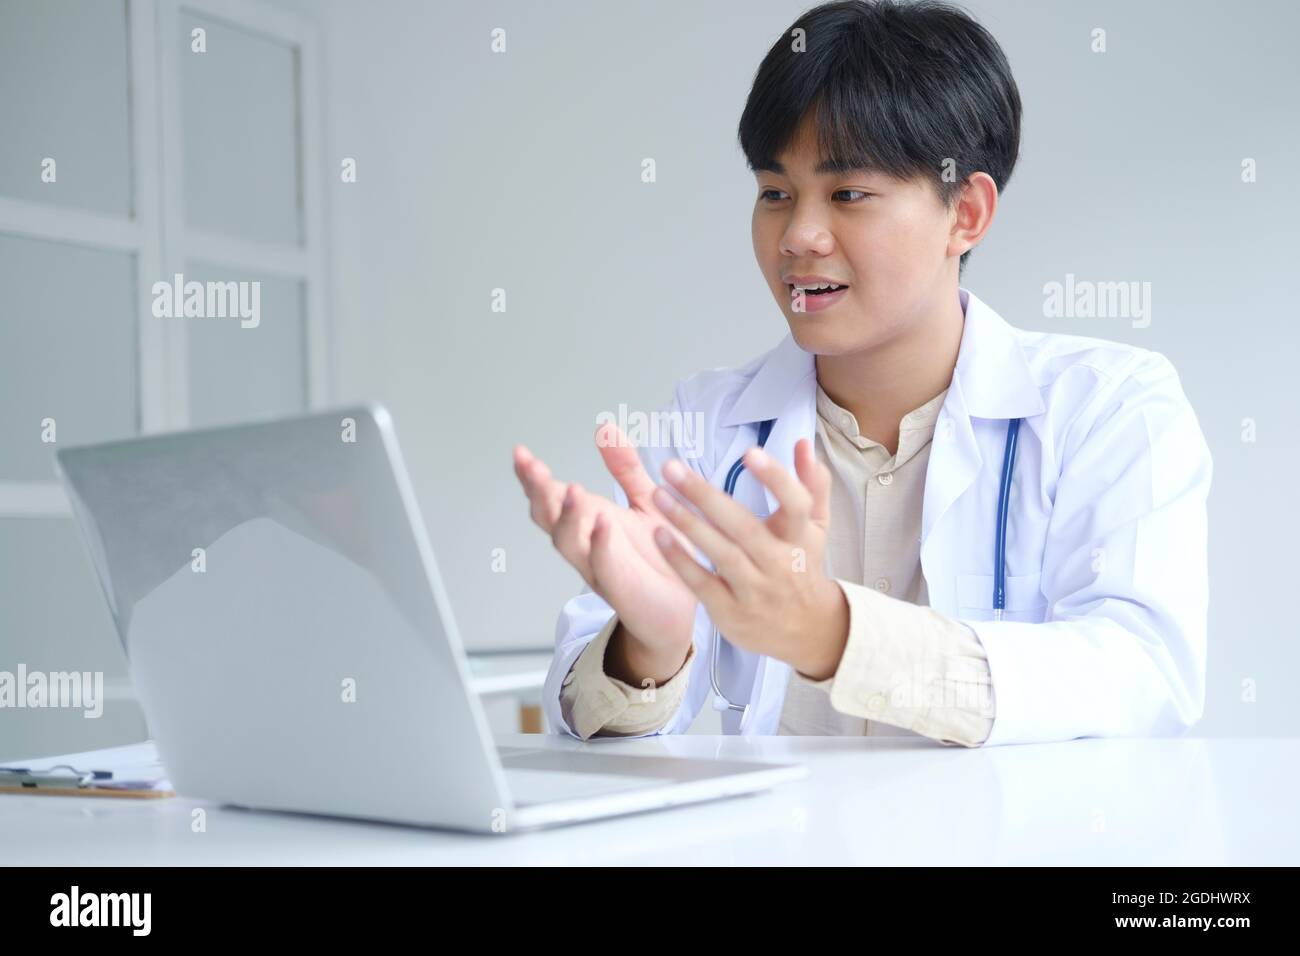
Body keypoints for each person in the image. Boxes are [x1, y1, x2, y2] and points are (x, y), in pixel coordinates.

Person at [512, 0, 1211, 747]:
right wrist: (648, 647)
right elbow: (595, 731)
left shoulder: (1109, 406)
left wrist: (830, 633)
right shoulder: (707, 427)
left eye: (848, 195)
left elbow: (1142, 675)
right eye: (774, 193)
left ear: (966, 213)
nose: (798, 236)